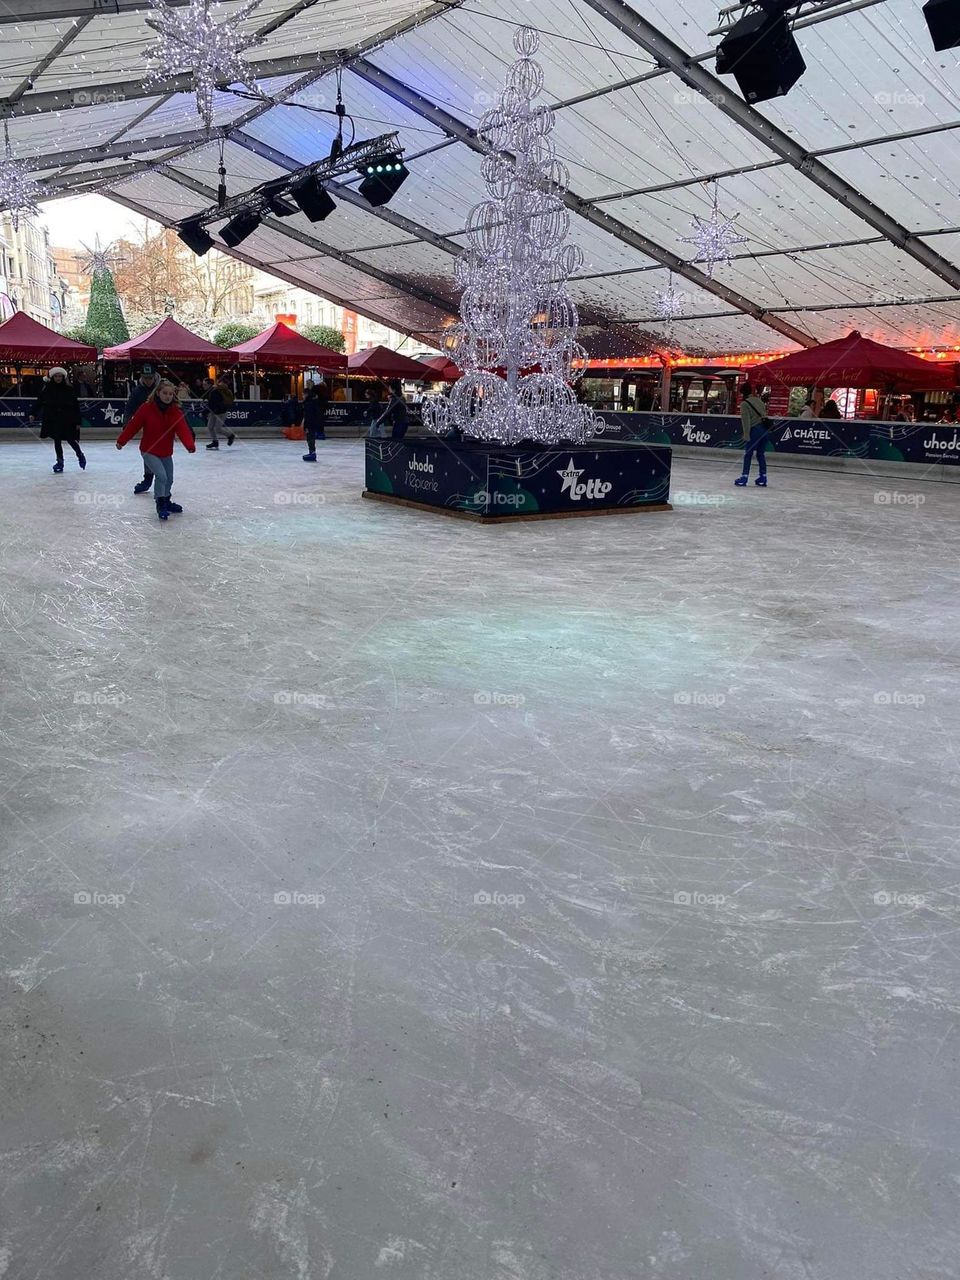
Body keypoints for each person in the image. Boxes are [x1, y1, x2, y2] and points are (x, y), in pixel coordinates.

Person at [116, 379, 196, 521]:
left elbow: (183, 429)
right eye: (165, 393)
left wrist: (189, 445)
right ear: (158, 393)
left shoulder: (175, 411)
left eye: (171, 394)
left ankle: (166, 500)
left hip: (165, 452)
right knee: (161, 476)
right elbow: (133, 425)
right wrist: (122, 441)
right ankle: (160, 504)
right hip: (149, 450)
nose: (168, 396)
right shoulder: (146, 408)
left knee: (169, 478)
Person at [32, 367, 85, 473]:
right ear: (52, 377)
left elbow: (75, 406)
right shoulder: (47, 389)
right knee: (57, 441)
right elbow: (39, 402)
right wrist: (33, 413)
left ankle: (80, 455)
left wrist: (77, 421)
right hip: (54, 419)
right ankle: (60, 462)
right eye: (56, 376)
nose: (58, 378)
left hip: (67, 419)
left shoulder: (69, 389)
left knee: (71, 439)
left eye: (60, 376)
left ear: (63, 377)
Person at [126, 368, 159, 494]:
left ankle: (163, 480)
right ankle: (148, 479)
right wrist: (126, 426)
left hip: (163, 427)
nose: (148, 380)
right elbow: (129, 408)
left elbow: (176, 408)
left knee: (162, 454)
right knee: (148, 452)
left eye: (150, 378)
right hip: (148, 428)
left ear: (154, 378)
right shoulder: (137, 391)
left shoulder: (160, 390)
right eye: (146, 378)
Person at [734, 381, 769, 488]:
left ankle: (744, 477)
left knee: (748, 454)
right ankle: (763, 477)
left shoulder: (744, 404)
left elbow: (746, 421)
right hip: (765, 429)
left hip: (755, 430)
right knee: (760, 454)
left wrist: (746, 435)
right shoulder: (759, 400)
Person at [202, 377, 235, 450]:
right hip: (215, 412)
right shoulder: (210, 391)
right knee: (210, 426)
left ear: (209, 384)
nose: (203, 386)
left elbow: (212, 404)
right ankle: (215, 442)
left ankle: (230, 436)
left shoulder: (214, 392)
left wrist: (205, 412)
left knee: (217, 428)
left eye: (205, 384)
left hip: (221, 412)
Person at [301, 382, 329, 462]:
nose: (302, 397)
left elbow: (309, 415)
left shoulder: (309, 403)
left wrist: (306, 425)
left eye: (303, 395)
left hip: (311, 423)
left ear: (306, 394)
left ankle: (312, 453)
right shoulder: (312, 401)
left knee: (310, 437)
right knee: (310, 437)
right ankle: (312, 452)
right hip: (314, 422)